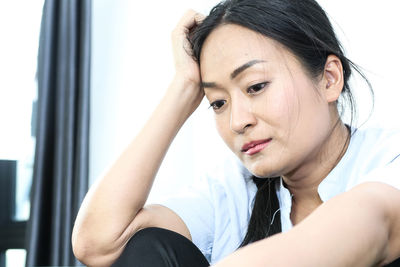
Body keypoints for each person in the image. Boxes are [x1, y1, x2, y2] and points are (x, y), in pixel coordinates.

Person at [72, 0, 400, 266]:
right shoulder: (232, 192)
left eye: (256, 86)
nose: (236, 122)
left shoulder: (389, 158)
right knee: (148, 245)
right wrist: (183, 88)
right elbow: (98, 243)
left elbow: (366, 223)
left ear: (329, 78)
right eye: (218, 103)